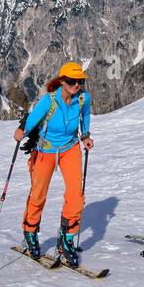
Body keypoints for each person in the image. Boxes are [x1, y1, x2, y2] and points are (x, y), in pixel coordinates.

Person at [13, 62, 94, 265]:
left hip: (70, 148)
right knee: (38, 193)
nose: (77, 85)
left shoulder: (83, 99)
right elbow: (32, 119)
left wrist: (85, 136)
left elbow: (85, 117)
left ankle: (66, 240)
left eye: (80, 81)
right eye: (72, 81)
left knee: (76, 195)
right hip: (44, 150)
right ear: (62, 82)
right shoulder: (49, 101)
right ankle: (30, 231)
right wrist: (21, 132)